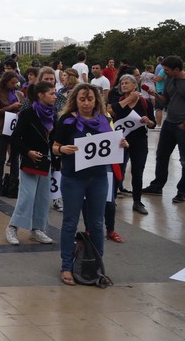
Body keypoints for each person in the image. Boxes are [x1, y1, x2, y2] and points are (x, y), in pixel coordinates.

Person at [53, 83, 129, 286]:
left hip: (98, 178)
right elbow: (54, 147)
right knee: (70, 222)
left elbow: (114, 141)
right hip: (73, 178)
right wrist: (63, 150)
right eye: (82, 99)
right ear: (75, 101)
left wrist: (121, 144)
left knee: (96, 224)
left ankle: (96, 265)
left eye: (90, 99)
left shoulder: (105, 120)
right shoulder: (67, 121)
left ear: (96, 100)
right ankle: (66, 266)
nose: (86, 103)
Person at [6, 82, 57, 246]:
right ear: (41, 95)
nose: (55, 96)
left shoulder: (53, 114)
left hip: (46, 158)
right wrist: (28, 152)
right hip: (30, 159)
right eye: (51, 93)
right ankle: (12, 227)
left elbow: (55, 139)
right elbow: (15, 138)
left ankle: (37, 229)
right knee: (27, 196)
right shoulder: (28, 113)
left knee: (43, 196)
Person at [107, 74, 155, 215]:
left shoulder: (145, 103)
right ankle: (112, 198)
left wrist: (148, 121)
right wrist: (130, 98)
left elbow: (153, 124)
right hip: (121, 141)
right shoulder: (120, 100)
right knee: (118, 170)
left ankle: (137, 201)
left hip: (139, 141)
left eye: (127, 83)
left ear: (135, 85)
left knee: (137, 172)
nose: (124, 85)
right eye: (122, 83)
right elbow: (112, 111)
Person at [141, 55, 185, 202]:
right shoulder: (170, 79)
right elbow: (166, 100)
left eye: (166, 69)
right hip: (169, 123)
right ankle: (157, 186)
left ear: (177, 69)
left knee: (184, 161)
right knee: (161, 155)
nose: (163, 72)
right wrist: (156, 95)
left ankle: (182, 191)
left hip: (182, 126)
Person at [0, 72, 24, 193]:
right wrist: (10, 107)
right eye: (12, 83)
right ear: (5, 82)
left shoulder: (19, 94)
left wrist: (20, 110)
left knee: (15, 158)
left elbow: (24, 108)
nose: (14, 85)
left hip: (16, 128)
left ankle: (13, 184)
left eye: (16, 83)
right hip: (2, 128)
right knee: (0, 158)